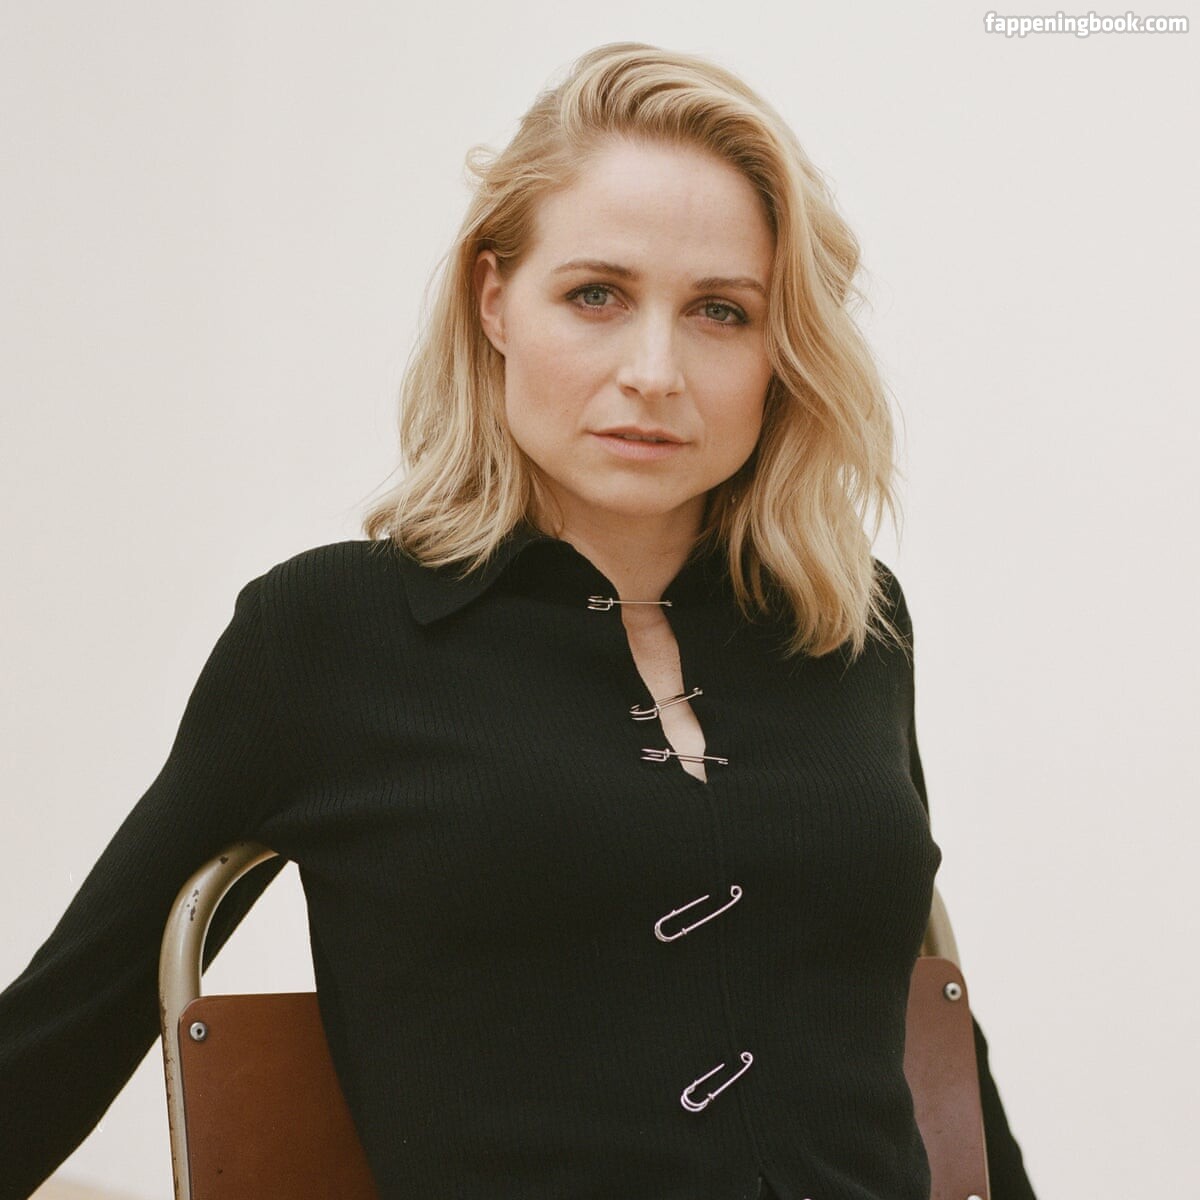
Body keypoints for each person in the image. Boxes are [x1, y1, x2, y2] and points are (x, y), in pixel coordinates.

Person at [0, 42, 1037, 1200]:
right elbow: (64, 1032)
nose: (655, 371)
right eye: (596, 295)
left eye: (721, 311)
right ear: (495, 302)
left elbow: (933, 1050)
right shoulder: (330, 636)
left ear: (781, 350)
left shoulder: (851, 626)